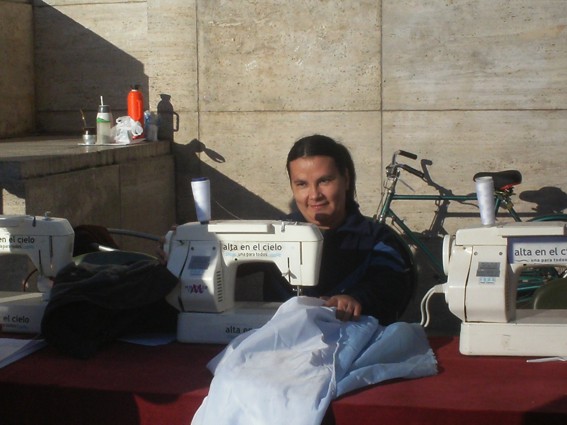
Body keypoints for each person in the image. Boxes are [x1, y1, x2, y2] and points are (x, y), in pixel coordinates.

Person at [160, 134, 414, 325]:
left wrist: (357, 299)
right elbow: (223, 262)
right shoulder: (278, 234)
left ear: (346, 179)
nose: (314, 195)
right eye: (302, 184)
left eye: (324, 181)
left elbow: (390, 285)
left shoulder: (379, 240)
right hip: (282, 350)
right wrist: (187, 248)